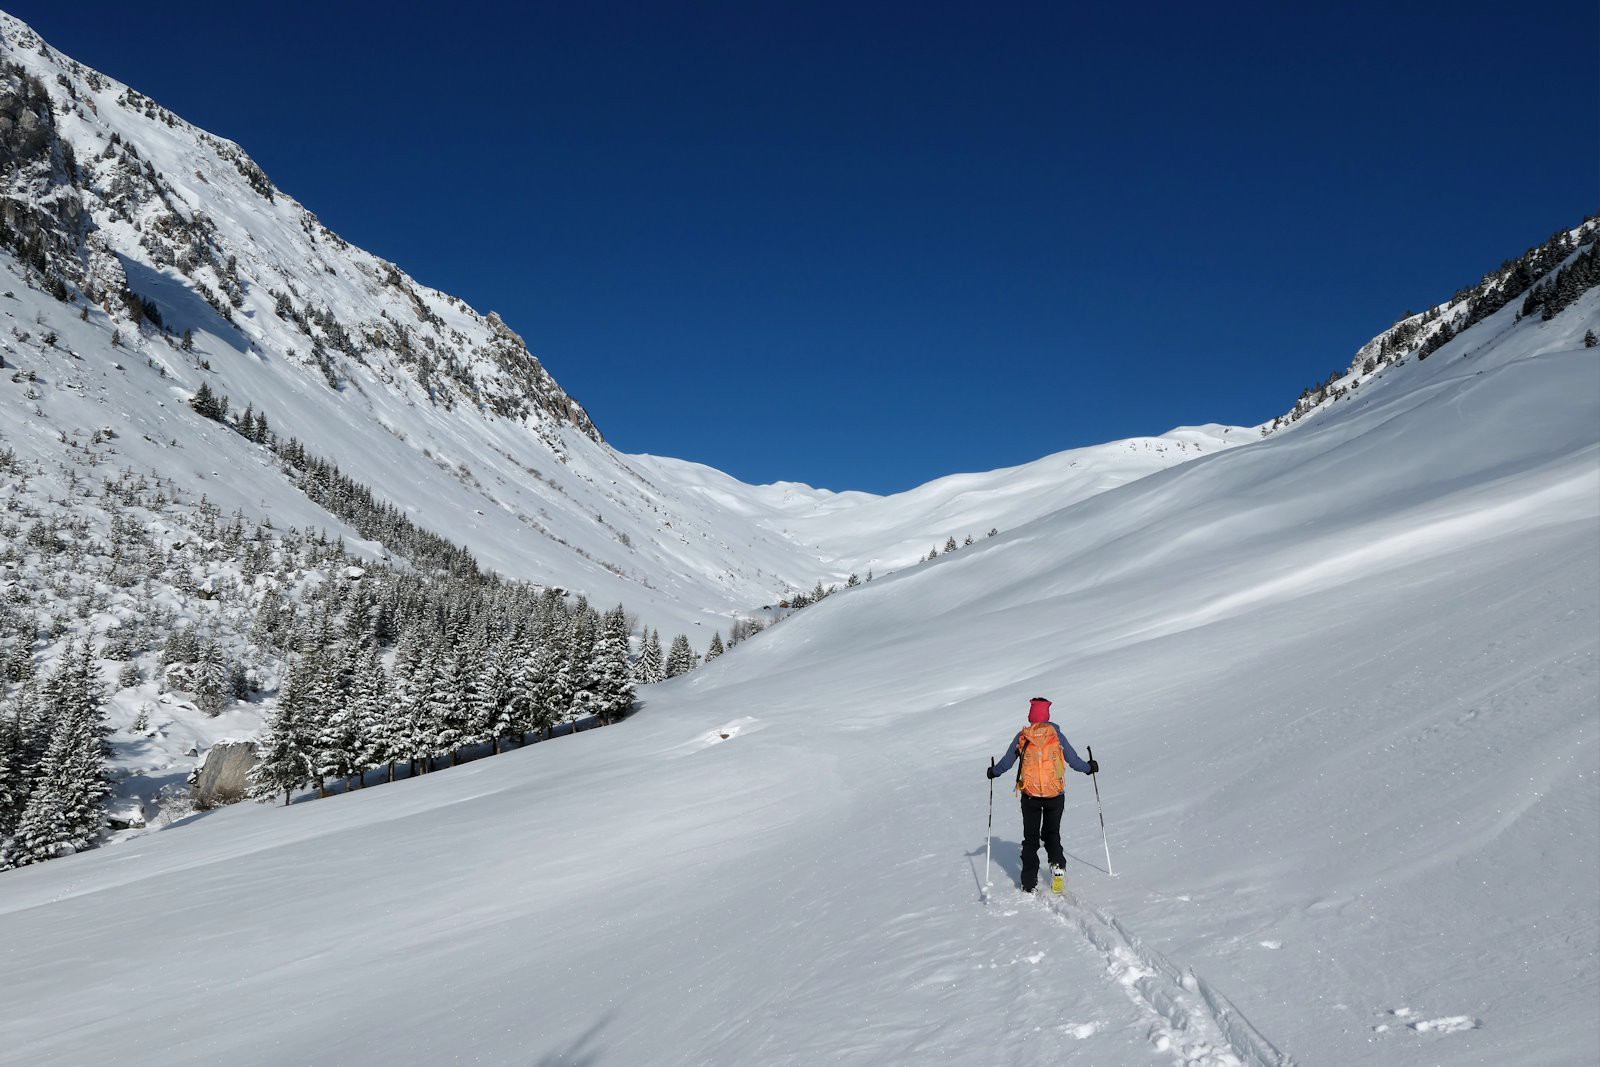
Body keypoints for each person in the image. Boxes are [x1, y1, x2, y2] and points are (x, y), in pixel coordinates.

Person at [986, 697, 1097, 893]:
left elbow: (1007, 762)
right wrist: (1089, 768)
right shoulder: (1056, 735)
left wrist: (993, 772)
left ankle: (1029, 882)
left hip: (1030, 797)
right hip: (1055, 795)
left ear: (1031, 715)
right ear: (1047, 715)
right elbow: (1073, 759)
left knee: (1031, 838)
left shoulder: (1023, 736)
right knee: (1051, 834)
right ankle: (1058, 868)